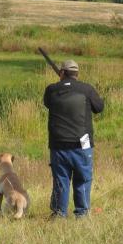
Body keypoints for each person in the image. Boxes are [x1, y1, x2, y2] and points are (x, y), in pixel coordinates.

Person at [43, 59, 104, 218]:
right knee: (83, 180)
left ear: (61, 73)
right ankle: (82, 214)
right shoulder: (87, 89)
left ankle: (58, 213)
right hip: (82, 145)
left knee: (60, 181)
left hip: (58, 146)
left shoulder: (51, 90)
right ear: (77, 74)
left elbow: (48, 103)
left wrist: (62, 85)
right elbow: (99, 108)